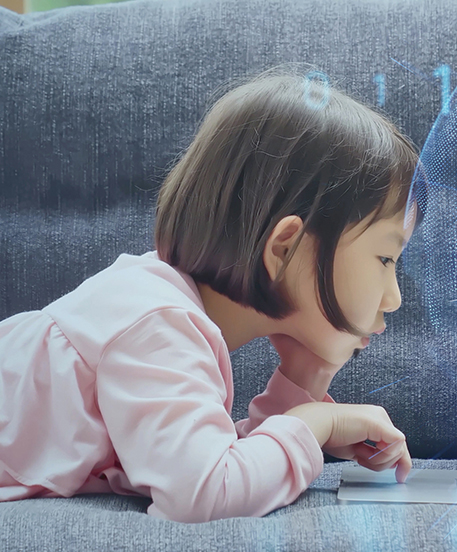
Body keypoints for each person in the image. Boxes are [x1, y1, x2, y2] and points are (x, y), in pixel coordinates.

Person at [0, 70, 418, 522]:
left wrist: (304, 383)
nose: (393, 297)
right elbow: (206, 493)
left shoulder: (164, 315)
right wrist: (319, 424)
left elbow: (211, 461)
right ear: (285, 249)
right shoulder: (154, 322)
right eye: (385, 259)